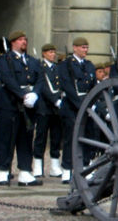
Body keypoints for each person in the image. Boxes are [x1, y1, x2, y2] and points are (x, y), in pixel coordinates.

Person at [0, 31, 42, 187]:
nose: (24, 42)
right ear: (13, 42)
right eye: (21, 39)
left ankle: (24, 171)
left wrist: (35, 94)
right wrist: (23, 95)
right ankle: (3, 170)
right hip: (10, 104)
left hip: (29, 105)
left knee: (26, 138)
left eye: (25, 39)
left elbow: (40, 79)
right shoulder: (5, 59)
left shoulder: (32, 61)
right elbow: (7, 79)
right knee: (6, 138)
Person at [56, 37, 96, 184]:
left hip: (87, 105)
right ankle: (67, 169)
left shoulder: (89, 66)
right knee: (70, 138)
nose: (85, 50)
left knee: (87, 137)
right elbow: (67, 87)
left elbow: (93, 86)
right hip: (72, 106)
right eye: (82, 47)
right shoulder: (65, 65)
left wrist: (92, 102)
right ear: (75, 48)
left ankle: (85, 166)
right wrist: (80, 104)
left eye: (86, 47)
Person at [32, 43, 63, 178]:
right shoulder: (41, 67)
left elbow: (61, 84)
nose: (53, 54)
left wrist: (59, 98)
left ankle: (54, 166)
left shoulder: (57, 68)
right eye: (50, 52)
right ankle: (38, 165)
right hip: (44, 107)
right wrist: (54, 99)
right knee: (41, 137)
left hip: (56, 109)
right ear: (44, 53)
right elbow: (43, 87)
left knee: (56, 137)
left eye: (53, 52)